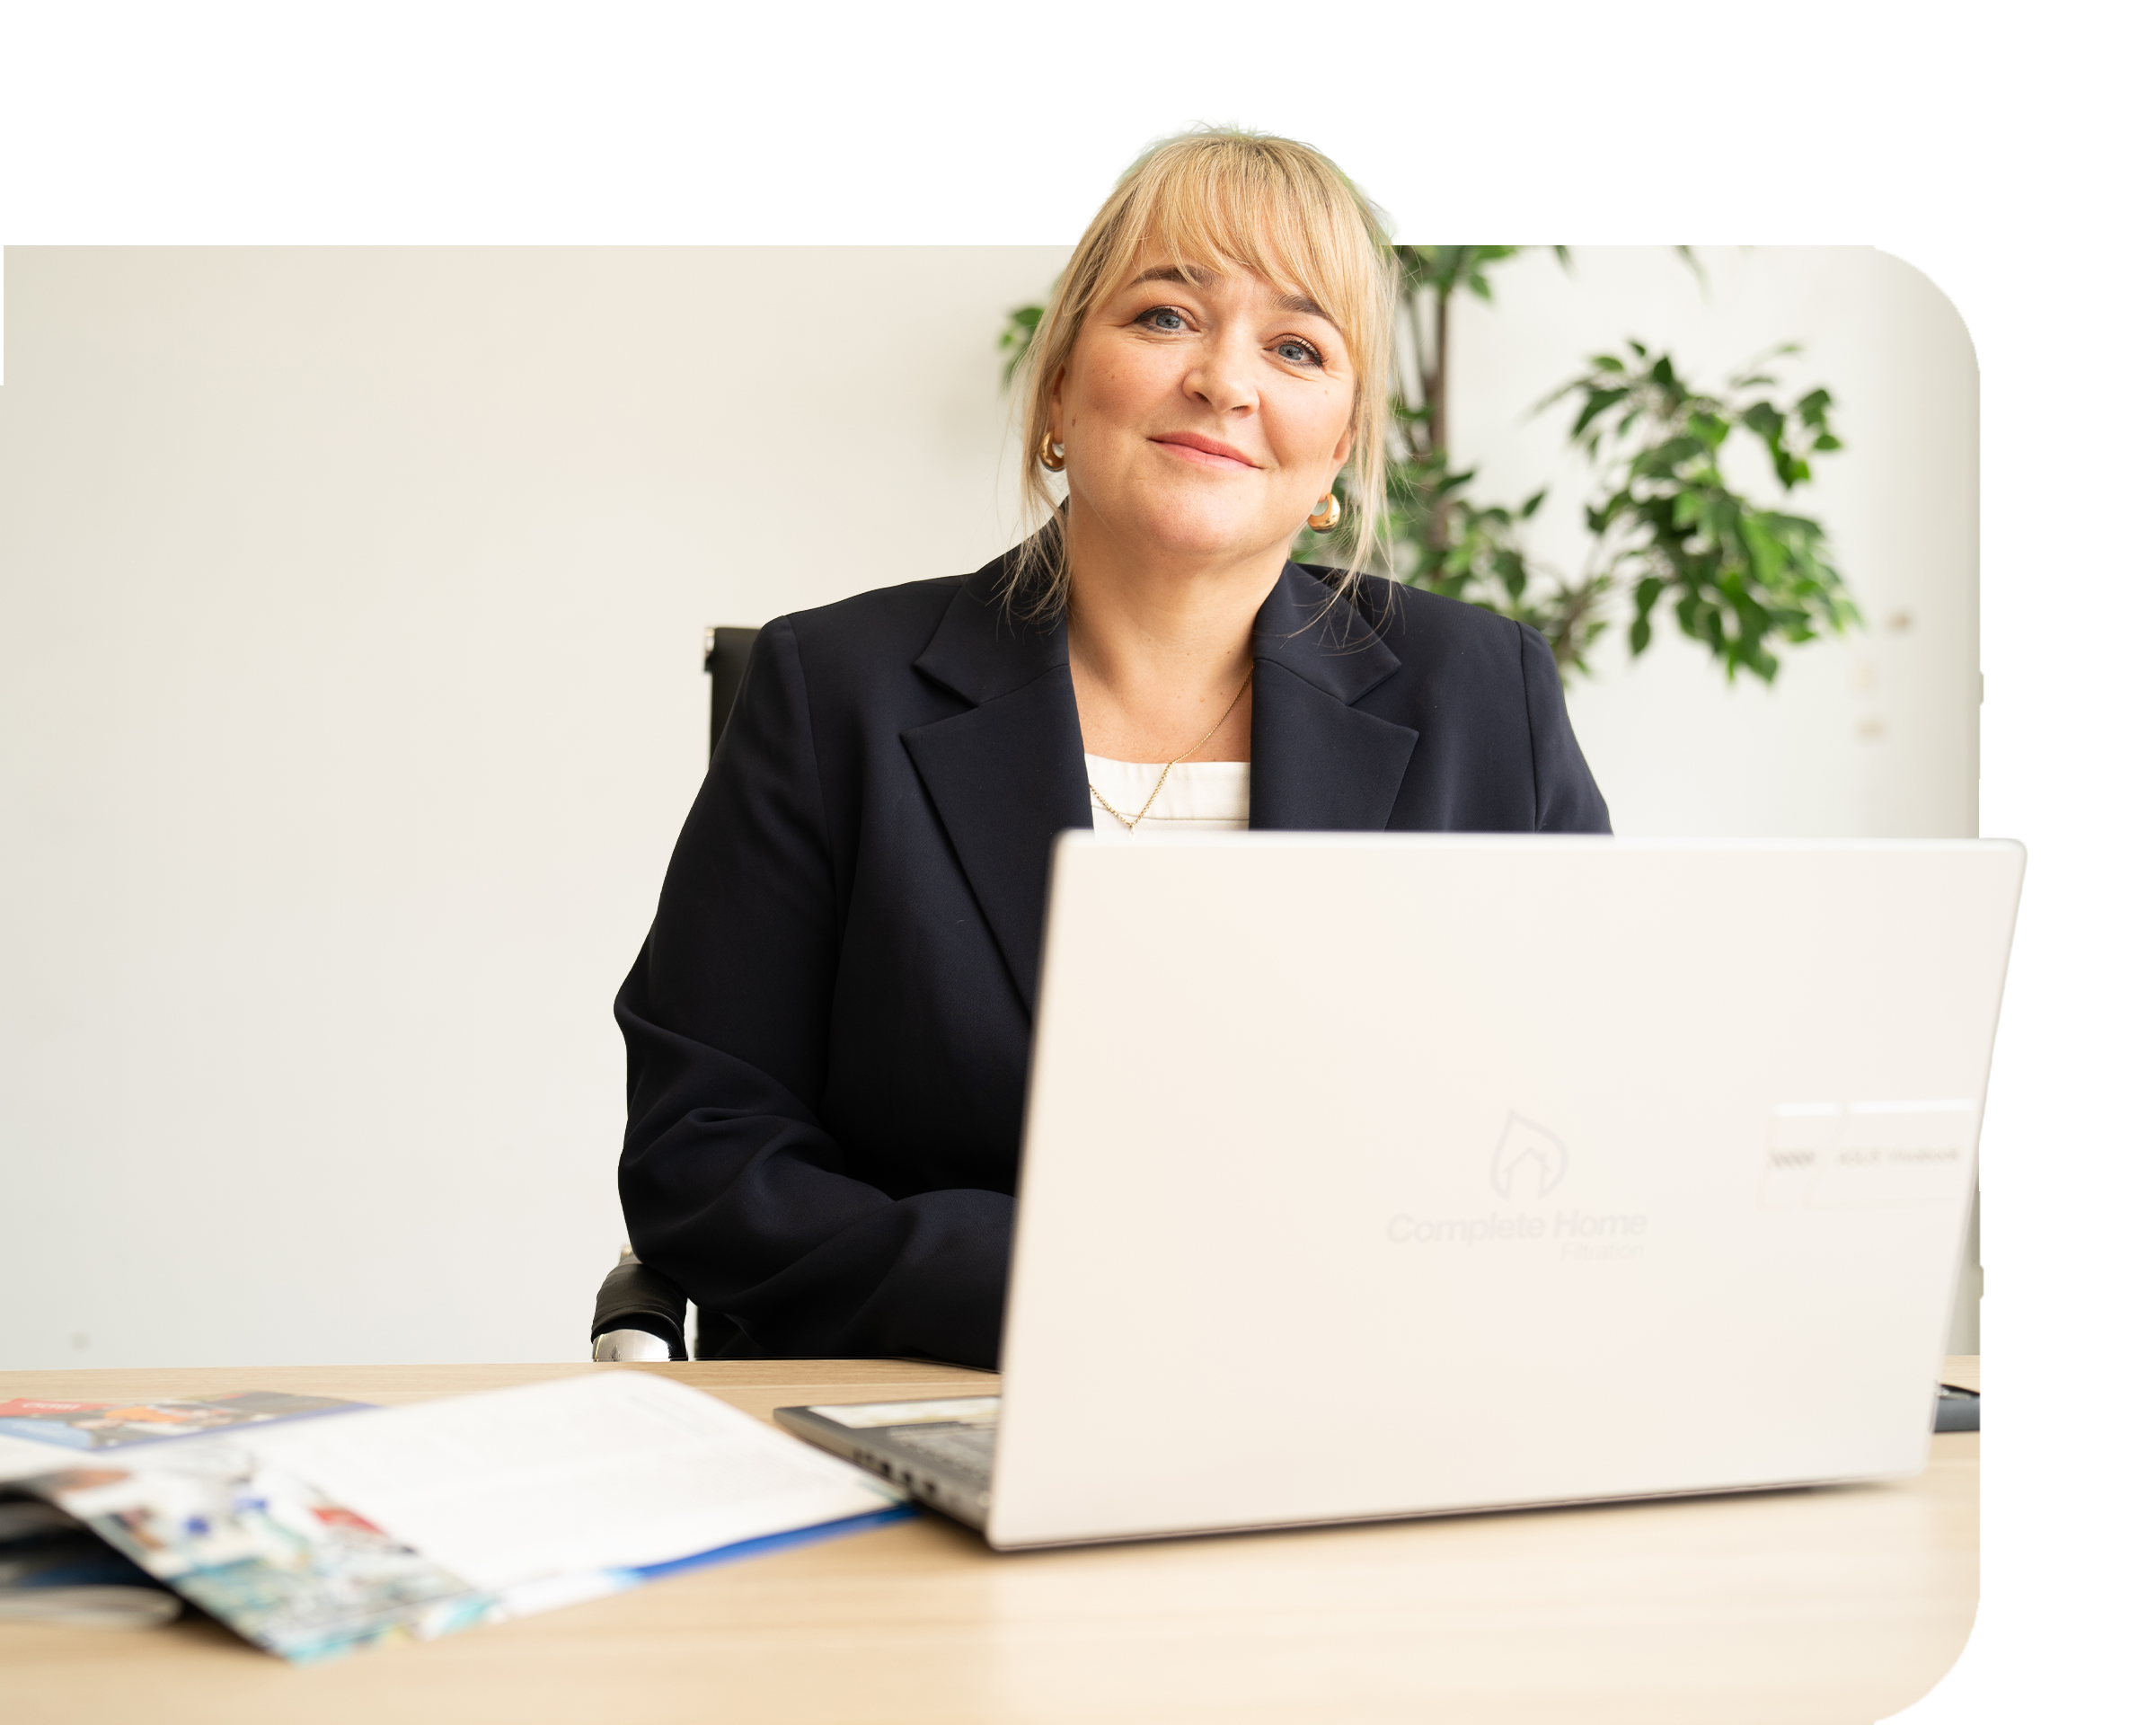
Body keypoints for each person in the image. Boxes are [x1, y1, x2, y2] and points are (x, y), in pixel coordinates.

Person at [615, 126, 1610, 1369]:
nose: (1226, 383)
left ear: (1338, 455)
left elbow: (1587, 1119)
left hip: (1381, 1407)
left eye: (1298, 347)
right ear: (1057, 393)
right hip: (955, 1407)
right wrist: (1060, 1291)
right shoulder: (835, 696)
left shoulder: (1486, 702)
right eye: (1163, 318)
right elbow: (706, 1150)